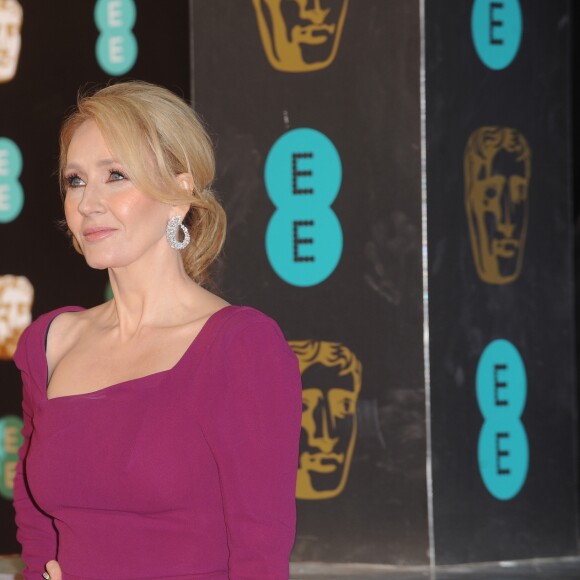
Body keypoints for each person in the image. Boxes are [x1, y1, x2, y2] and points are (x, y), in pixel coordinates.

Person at [13, 81, 302, 580]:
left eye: (116, 176)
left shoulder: (239, 346)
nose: (88, 204)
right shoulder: (49, 343)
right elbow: (38, 532)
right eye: (75, 181)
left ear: (179, 193)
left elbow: (260, 554)